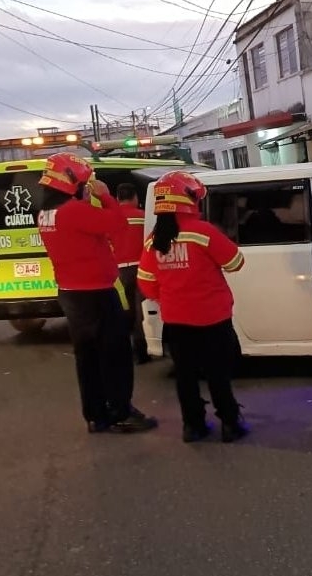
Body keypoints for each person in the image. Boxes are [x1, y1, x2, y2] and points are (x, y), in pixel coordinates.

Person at [36, 153, 158, 434]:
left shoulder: (46, 214)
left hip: (71, 294)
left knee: (87, 357)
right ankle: (121, 411)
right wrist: (105, 196)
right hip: (96, 293)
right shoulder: (74, 211)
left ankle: (96, 414)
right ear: (70, 182)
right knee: (115, 354)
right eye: (81, 182)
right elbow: (118, 224)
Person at [137, 170, 248, 443]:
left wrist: (170, 295)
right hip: (212, 318)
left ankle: (193, 426)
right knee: (217, 374)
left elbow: (146, 282)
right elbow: (235, 262)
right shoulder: (203, 232)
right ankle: (230, 424)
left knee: (185, 377)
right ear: (187, 199)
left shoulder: (154, 240)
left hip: (176, 320)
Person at [111, 183, 150, 364]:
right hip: (141, 269)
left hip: (119, 272)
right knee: (141, 311)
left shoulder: (110, 218)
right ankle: (142, 350)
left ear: (117, 198)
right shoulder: (144, 217)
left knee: (123, 312)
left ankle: (125, 352)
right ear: (135, 197)